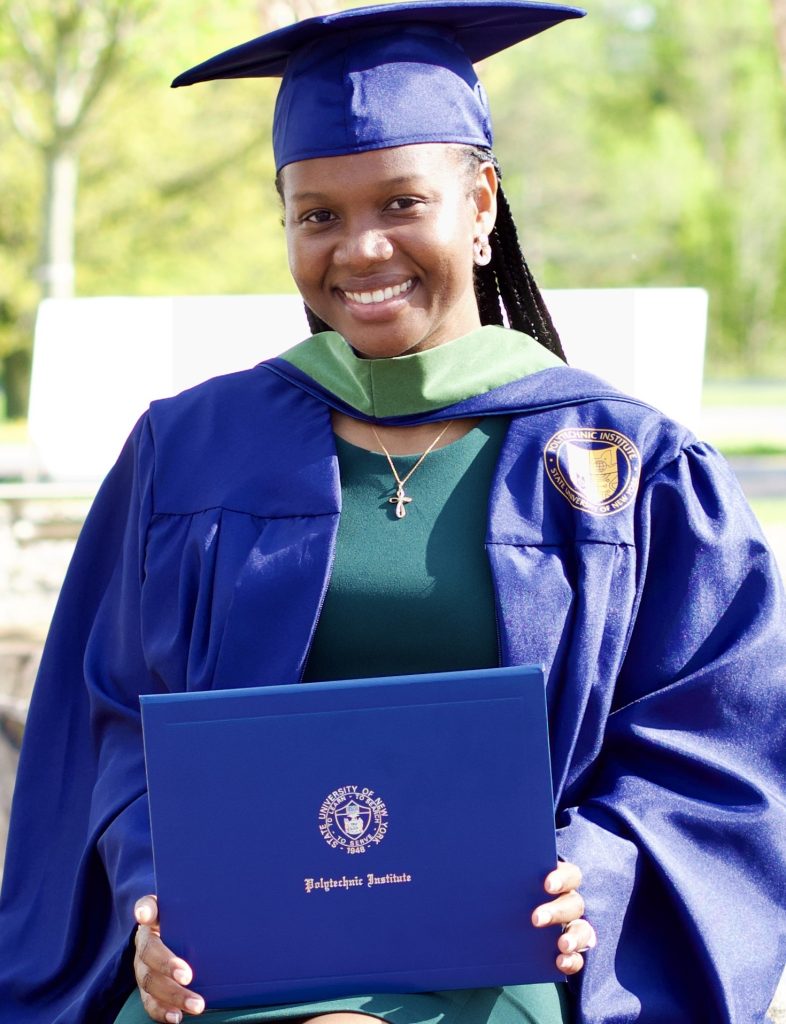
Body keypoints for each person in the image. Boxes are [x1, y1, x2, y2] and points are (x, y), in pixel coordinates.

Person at [1, 3, 785, 1023]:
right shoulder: (185, 450)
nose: (360, 249)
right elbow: (113, 727)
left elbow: (716, 737)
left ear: (481, 202)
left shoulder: (629, 461)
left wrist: (594, 875)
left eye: (401, 202)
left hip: (522, 956)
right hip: (240, 957)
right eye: (317, 214)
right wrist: (156, 901)